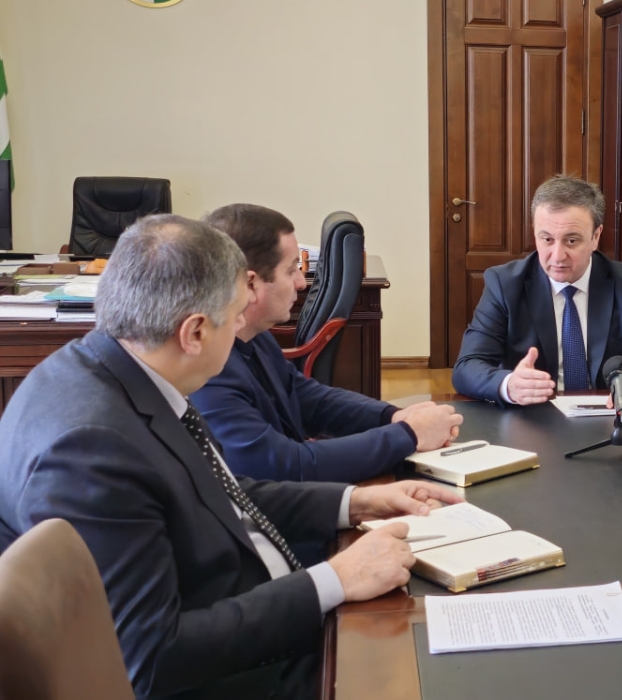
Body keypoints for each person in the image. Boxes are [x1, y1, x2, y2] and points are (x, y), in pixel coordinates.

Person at [0, 215, 463, 700]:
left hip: (264, 616)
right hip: (243, 674)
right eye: (236, 313)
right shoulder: (90, 451)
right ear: (195, 332)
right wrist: (335, 579)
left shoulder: (117, 370)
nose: (244, 325)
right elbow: (152, 659)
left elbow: (218, 493)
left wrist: (357, 501)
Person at [191, 204, 462, 482]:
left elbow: (304, 396)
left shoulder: (254, 334)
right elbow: (283, 466)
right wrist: (408, 435)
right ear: (250, 284)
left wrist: (392, 417)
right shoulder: (206, 368)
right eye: (291, 270)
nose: (301, 282)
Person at [452, 174, 622, 407]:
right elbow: (467, 367)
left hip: (605, 416)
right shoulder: (505, 283)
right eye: (547, 239)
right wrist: (509, 385)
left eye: (571, 241)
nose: (557, 256)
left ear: (596, 236)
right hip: (532, 416)